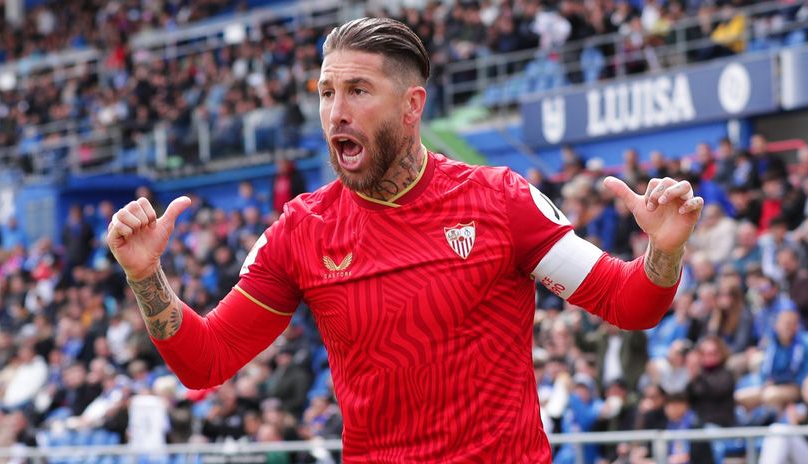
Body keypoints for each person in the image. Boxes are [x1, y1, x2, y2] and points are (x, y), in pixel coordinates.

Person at [107, 17, 704, 462]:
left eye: (359, 91)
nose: (336, 112)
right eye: (326, 92)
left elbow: (629, 304)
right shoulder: (299, 231)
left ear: (412, 105)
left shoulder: (499, 200)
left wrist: (665, 248)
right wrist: (144, 276)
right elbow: (205, 361)